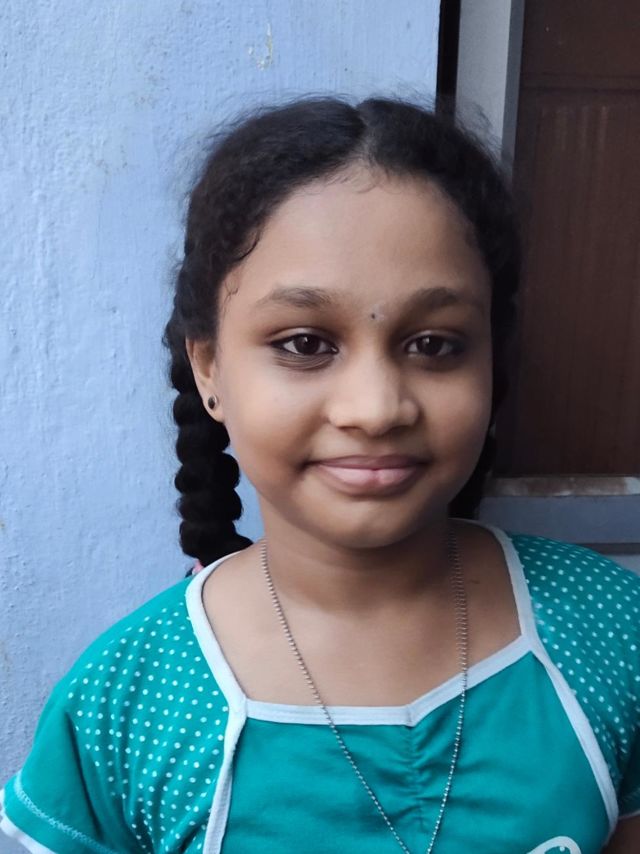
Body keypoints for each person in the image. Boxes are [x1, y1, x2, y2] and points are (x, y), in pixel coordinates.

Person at [1, 96, 639, 854]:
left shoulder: (612, 631)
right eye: (305, 343)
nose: (376, 408)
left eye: (434, 344)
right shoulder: (125, 705)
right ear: (209, 369)